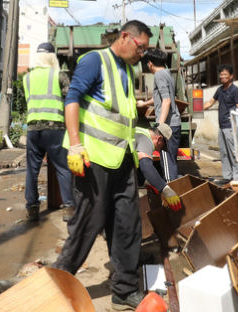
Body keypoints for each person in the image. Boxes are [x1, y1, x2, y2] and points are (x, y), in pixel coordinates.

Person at [53, 20, 152, 311]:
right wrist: (74, 144)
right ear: (125, 37)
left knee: (127, 224)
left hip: (122, 159)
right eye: (140, 46)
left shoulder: (127, 69)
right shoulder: (96, 61)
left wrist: (140, 109)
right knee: (88, 223)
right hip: (93, 157)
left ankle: (124, 290)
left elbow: (116, 113)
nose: (142, 54)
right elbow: (72, 100)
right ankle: (55, 282)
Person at [23, 42, 74, 222]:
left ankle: (32, 209)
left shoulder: (27, 78)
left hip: (33, 129)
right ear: (53, 57)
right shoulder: (59, 76)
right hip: (55, 128)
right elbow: (70, 101)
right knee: (63, 169)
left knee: (32, 170)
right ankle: (68, 208)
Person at [136, 48, 181, 183]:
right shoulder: (166, 73)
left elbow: (166, 100)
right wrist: (144, 104)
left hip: (167, 125)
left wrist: (160, 126)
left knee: (167, 165)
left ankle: (171, 193)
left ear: (150, 63)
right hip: (174, 123)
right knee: (170, 162)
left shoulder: (158, 76)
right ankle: (174, 190)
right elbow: (161, 97)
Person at [203, 64, 238, 184]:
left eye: (225, 74)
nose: (222, 76)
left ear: (231, 76)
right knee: (224, 152)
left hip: (231, 127)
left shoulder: (235, 90)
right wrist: (196, 108)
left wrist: (236, 126)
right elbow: (210, 102)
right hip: (222, 127)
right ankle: (228, 176)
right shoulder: (220, 90)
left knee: (234, 152)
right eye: (221, 74)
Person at [135, 123, 181, 211]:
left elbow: (135, 162)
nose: (159, 149)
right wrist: (165, 189)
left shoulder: (139, 131)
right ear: (159, 139)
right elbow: (146, 166)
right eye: (162, 146)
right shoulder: (145, 139)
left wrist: (146, 180)